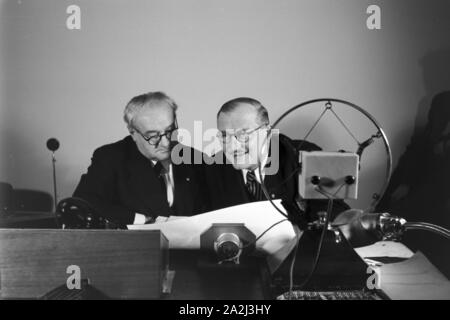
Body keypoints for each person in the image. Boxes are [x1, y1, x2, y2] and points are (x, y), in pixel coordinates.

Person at [73, 91, 210, 226]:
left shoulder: (195, 159)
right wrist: (141, 220)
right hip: (135, 246)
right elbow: (83, 202)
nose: (166, 143)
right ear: (133, 132)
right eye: (153, 136)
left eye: (170, 131)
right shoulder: (110, 158)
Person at [206, 97, 349, 226]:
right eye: (225, 136)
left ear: (267, 132)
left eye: (243, 134)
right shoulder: (213, 168)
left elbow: (332, 214)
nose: (232, 146)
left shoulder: (303, 156)